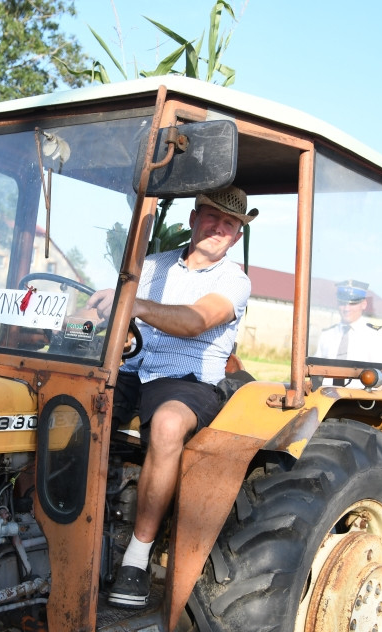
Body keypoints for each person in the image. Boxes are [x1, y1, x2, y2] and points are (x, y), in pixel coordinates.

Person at [86, 185, 256, 609]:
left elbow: (195, 320)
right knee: (68, 400)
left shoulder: (233, 280)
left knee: (167, 424)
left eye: (229, 223)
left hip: (187, 379)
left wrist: (134, 305)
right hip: (130, 368)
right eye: (212, 216)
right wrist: (75, 317)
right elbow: (105, 312)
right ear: (195, 217)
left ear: (236, 235)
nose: (219, 227)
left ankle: (137, 560)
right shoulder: (152, 266)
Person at [315, 278, 382, 363]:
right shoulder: (327, 335)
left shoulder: (375, 336)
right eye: (342, 303)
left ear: (364, 304)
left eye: (352, 303)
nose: (347, 308)